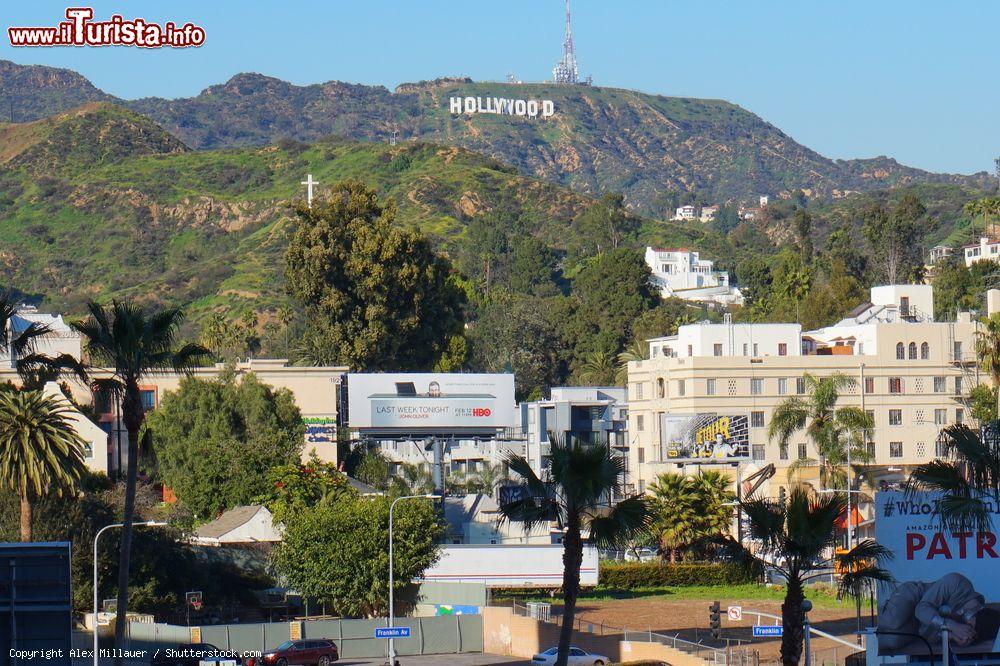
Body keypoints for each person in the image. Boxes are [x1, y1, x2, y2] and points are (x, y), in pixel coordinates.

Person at [879, 572, 1000, 651]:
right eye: (970, 625)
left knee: (891, 641)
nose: (965, 628)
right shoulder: (957, 582)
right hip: (913, 597)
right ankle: (887, 607)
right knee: (892, 622)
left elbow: (928, 635)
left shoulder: (968, 622)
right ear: (974, 615)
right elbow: (921, 609)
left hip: (919, 625)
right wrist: (953, 625)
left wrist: (951, 636)